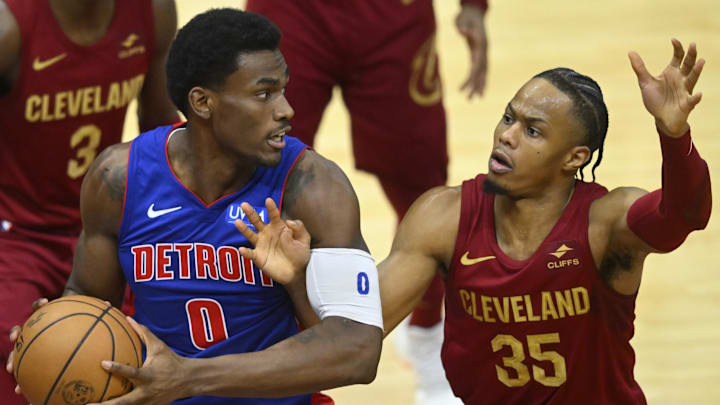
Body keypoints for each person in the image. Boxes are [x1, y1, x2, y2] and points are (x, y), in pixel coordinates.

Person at [236, 38, 711, 404]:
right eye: (509, 118)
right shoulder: (444, 217)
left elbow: (682, 215)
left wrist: (676, 136)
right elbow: (356, 334)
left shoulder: (606, 223)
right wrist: (301, 280)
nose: (506, 136)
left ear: (574, 158)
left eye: (532, 131)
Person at [7, 8, 384, 405]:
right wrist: (51, 337)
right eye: (264, 93)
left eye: (283, 90)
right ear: (203, 102)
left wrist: (295, 285)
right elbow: (88, 297)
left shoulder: (312, 186)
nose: (286, 109)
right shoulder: (118, 179)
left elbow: (359, 351)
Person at [243, 1, 488, 403]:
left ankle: (428, 337)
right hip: (293, 13)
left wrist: (473, 7)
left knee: (422, 188)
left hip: (393, 16)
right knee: (268, 185)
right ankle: (279, 347)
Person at [0, 0, 179, 402]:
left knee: (145, 351)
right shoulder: (9, 27)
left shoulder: (153, 12)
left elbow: (163, 134)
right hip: (16, 229)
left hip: (108, 222)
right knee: (27, 357)